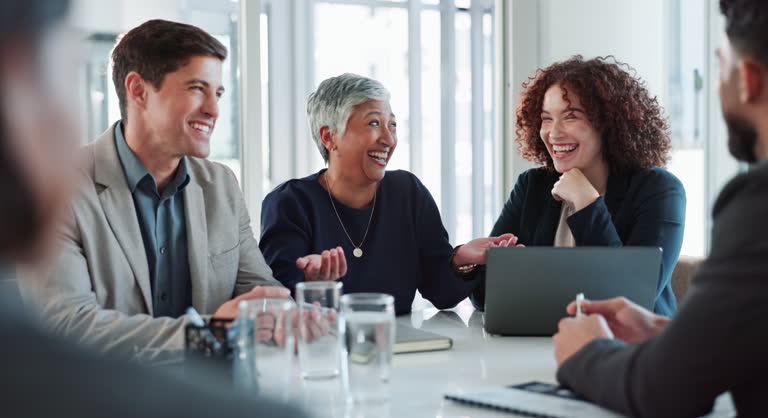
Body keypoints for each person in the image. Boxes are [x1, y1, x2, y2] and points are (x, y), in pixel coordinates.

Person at [0, 1, 306, 417]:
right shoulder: (64, 183)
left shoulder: (220, 185)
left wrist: (287, 310)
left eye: (218, 93)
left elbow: (255, 291)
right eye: (197, 89)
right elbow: (70, 326)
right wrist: (207, 333)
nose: (215, 110)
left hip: (211, 399)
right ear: (138, 90)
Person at [552, 1, 768, 416]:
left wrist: (588, 352)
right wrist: (669, 333)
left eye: (718, 66)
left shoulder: (760, 206)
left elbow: (665, 391)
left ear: (748, 81)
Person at [260, 73, 514, 314]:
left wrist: (460, 259)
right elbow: (275, 300)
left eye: (392, 125)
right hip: (322, 348)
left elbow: (441, 293)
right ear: (329, 137)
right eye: (373, 123)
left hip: (399, 347)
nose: (389, 139)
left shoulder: (407, 192)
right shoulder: (290, 203)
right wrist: (309, 283)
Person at [470, 56, 686, 316]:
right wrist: (494, 266)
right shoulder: (532, 186)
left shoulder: (659, 190)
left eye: (571, 117)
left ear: (609, 123)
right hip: (538, 343)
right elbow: (484, 296)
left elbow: (631, 300)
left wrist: (587, 203)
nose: (554, 132)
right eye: (547, 119)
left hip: (632, 349)